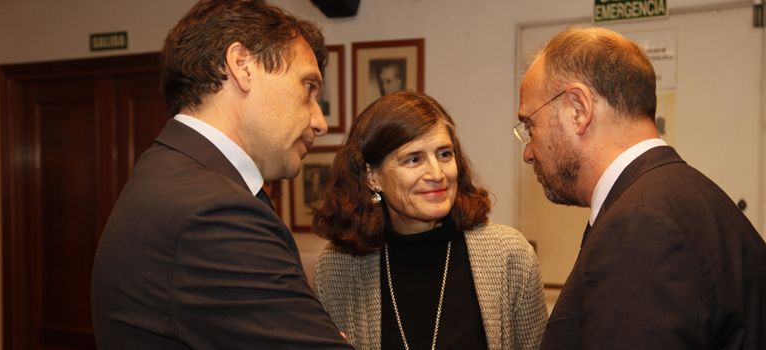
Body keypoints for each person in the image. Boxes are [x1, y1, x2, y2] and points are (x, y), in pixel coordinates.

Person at [91, 0, 353, 348]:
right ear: (242, 65)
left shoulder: (176, 173)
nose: (319, 122)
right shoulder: (212, 210)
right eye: (308, 88)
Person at [516, 27, 766, 349]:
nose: (528, 152)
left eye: (530, 125)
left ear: (578, 109)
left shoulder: (640, 229)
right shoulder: (700, 203)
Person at [313, 91, 547, 350]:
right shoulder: (338, 267)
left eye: (444, 154)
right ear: (372, 177)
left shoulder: (509, 256)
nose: (437, 174)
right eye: (414, 159)